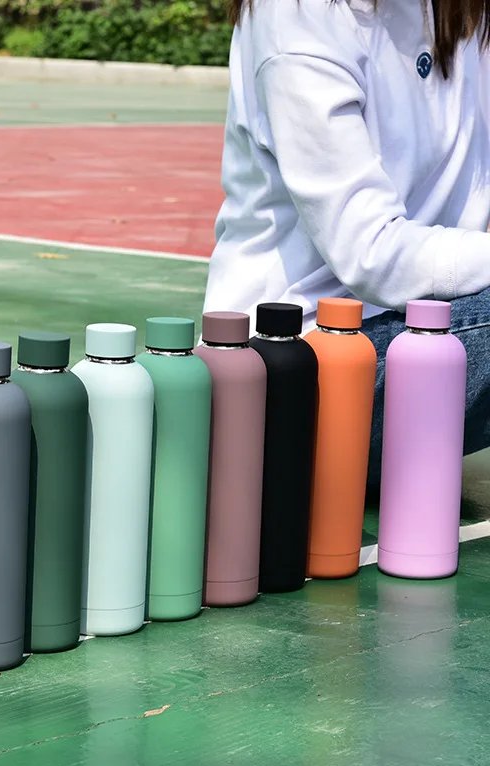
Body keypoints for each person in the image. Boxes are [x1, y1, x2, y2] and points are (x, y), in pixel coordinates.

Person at [204, 0, 490, 485]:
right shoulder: (296, 17)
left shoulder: (462, 13)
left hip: (419, 333)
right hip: (294, 372)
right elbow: (373, 255)